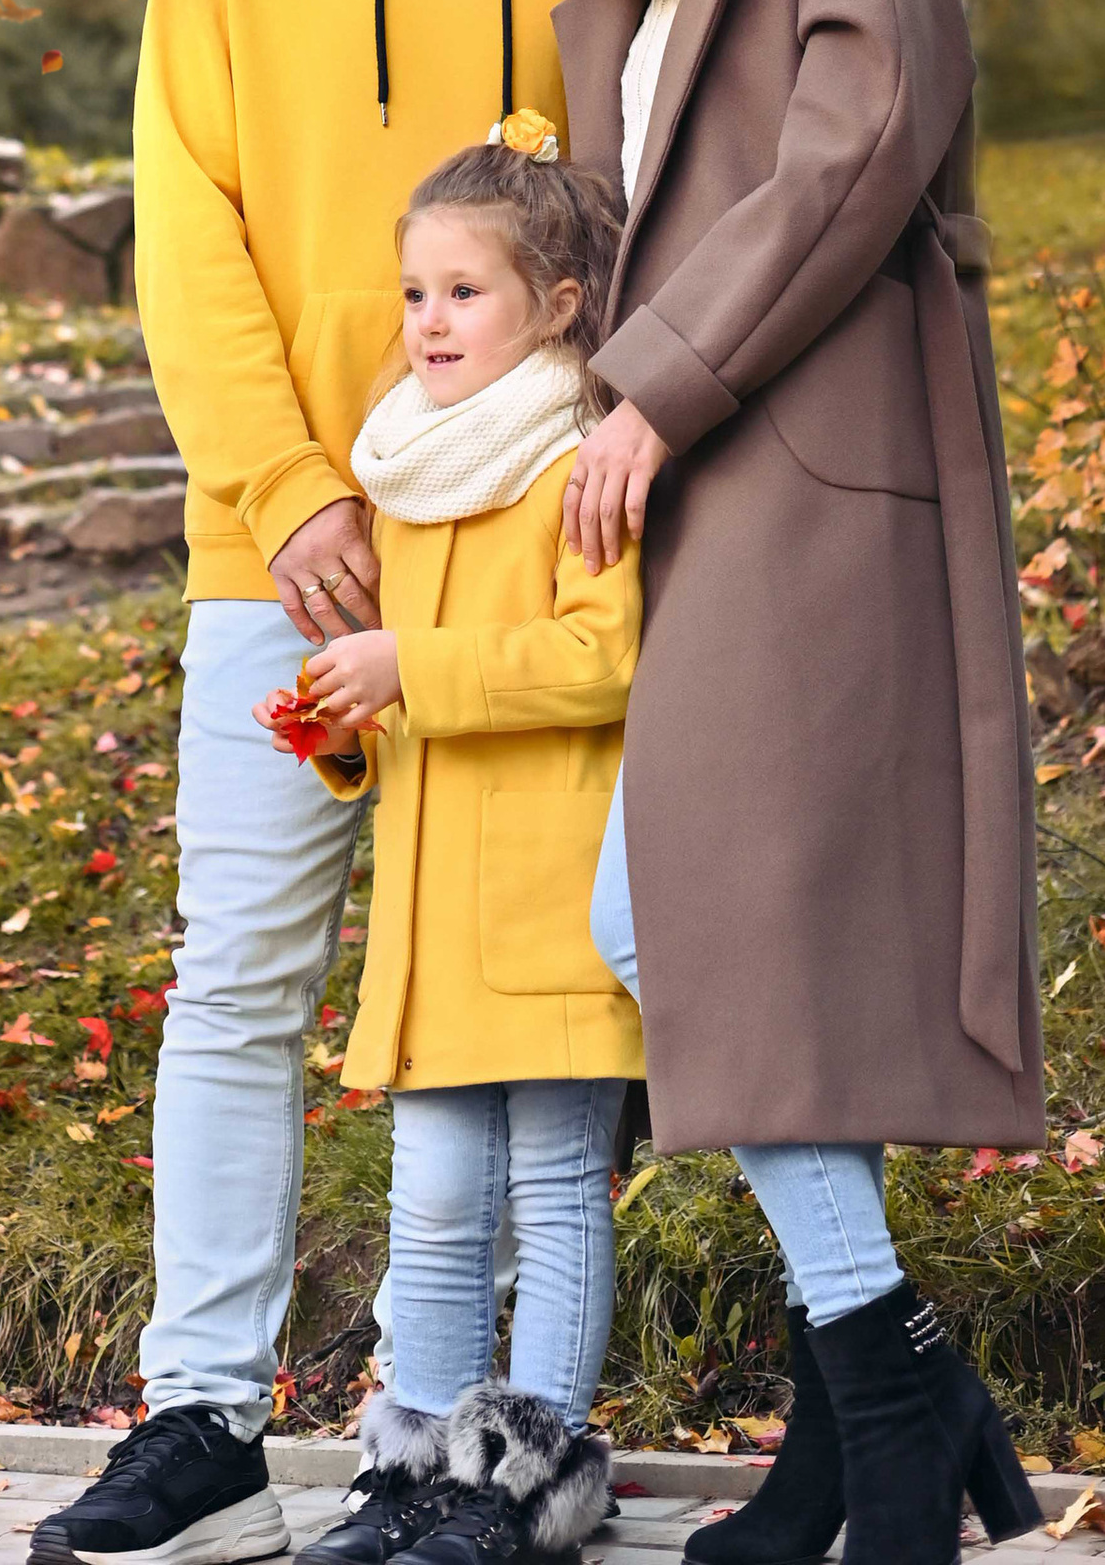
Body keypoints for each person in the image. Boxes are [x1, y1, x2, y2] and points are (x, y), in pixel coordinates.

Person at [35, 0, 583, 1565]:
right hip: (271, 559)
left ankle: (469, 1449)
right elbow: (185, 247)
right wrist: (295, 496)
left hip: (515, 563)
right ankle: (197, 1423)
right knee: (243, 976)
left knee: (510, 1004)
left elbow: (620, 235)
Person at [554, 0, 1044, 1565]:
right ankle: (871, 1430)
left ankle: (885, 1402)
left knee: (683, 930)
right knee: (686, 932)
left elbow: (845, 168)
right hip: (709, 464)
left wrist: (654, 387)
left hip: (812, 459)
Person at [272, 130, 637, 1565]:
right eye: (413, 294)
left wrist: (408, 663)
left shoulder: (576, 469)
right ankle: (419, 1459)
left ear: (554, 303)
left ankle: (528, 1474)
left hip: (548, 892)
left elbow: (601, 660)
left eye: (464, 293)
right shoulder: (406, 475)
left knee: (551, 1188)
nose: (427, 321)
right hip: (429, 917)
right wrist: (342, 723)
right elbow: (400, 689)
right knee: (427, 1199)